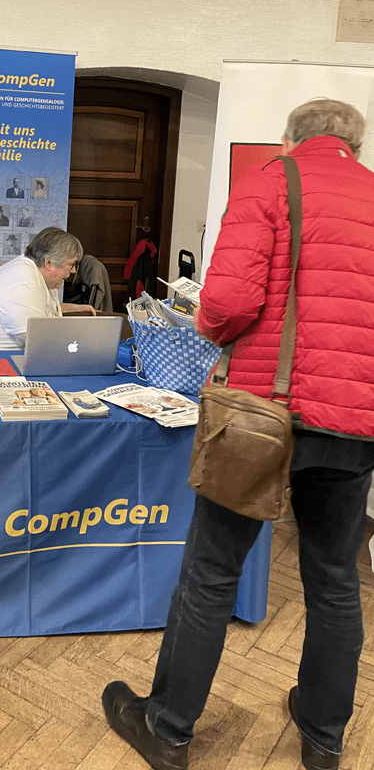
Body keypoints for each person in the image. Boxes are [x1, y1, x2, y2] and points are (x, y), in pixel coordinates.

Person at [102, 98, 374, 770]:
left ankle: (167, 730)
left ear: (289, 139)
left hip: (264, 416)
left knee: (212, 573)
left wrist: (218, 333)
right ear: (356, 148)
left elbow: (224, 304)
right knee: (336, 579)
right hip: (357, 422)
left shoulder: (270, 184)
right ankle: (322, 738)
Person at [0, 226, 95, 350]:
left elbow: (35, 306)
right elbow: (36, 343)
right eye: (71, 264)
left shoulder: (32, 273)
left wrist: (77, 308)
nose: (74, 271)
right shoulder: (22, 278)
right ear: (48, 262)